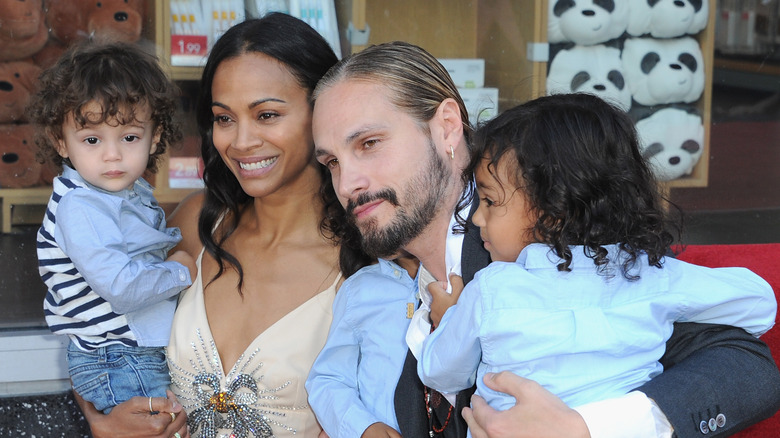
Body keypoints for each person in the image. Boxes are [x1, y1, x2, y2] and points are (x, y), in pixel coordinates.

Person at [309, 40, 780, 438]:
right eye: (330, 162)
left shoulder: (558, 237)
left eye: (368, 143)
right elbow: (331, 385)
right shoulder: (376, 285)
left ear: (447, 128)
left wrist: (586, 427)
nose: (347, 181)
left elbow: (745, 369)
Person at [416, 93, 776, 433]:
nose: (478, 219)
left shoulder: (491, 288)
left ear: (553, 212)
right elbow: (759, 307)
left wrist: (449, 320)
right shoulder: (655, 276)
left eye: (490, 201)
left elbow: (440, 373)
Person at [73, 13, 352, 438]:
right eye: (224, 118)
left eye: (267, 115)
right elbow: (96, 329)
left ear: (323, 111)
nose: (240, 141)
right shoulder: (196, 221)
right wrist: (102, 422)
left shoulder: (363, 258)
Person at [29, 40, 197, 416]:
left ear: (155, 137)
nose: (112, 155)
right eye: (92, 139)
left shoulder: (118, 191)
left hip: (126, 353)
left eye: (130, 137)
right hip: (118, 357)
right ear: (61, 141)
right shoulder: (81, 206)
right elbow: (122, 288)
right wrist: (180, 271)